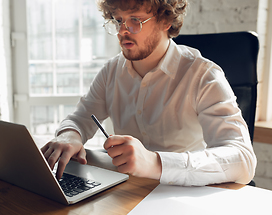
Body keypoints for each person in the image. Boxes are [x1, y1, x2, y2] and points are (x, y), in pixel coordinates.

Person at [41, 0, 257, 186]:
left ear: (166, 20)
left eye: (135, 19)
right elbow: (80, 118)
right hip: (125, 194)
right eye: (118, 20)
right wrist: (69, 136)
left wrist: (155, 163)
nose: (122, 31)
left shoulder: (203, 75)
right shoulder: (111, 71)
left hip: (182, 198)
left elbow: (243, 160)